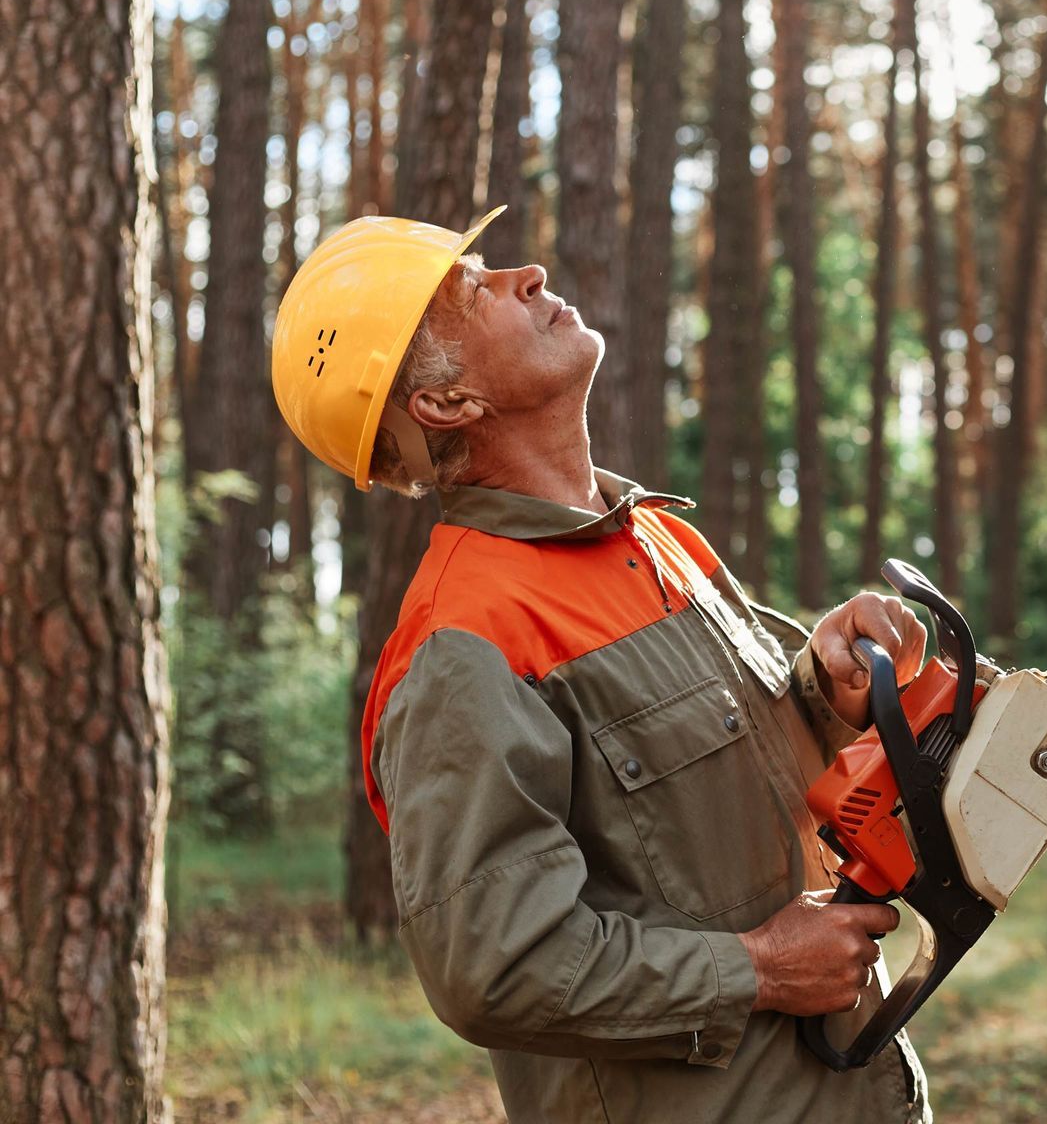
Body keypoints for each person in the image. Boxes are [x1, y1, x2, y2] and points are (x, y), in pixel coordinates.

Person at [271, 207, 932, 1122]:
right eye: (475, 289)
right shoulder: (462, 645)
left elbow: (722, 774)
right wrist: (757, 969)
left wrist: (824, 687)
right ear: (446, 402)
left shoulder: (658, 539)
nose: (528, 274)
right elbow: (494, 966)